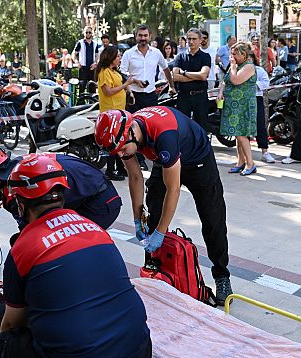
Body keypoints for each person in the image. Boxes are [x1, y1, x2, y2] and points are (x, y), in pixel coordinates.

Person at [0, 153, 151, 358]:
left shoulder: (24, 247)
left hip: (80, 354)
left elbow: (11, 325)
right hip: (139, 347)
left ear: (20, 203)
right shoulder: (96, 229)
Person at [94, 107, 233, 305]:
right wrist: (137, 217)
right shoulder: (125, 136)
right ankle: (154, 270)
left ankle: (222, 276)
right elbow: (134, 176)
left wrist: (160, 233)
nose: (122, 154)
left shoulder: (163, 135)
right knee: (153, 214)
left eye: (123, 149)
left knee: (212, 217)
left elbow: (173, 189)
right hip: (165, 159)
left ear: (131, 132)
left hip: (197, 160)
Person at [0, 137, 122, 230]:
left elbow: (32, 232)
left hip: (101, 202)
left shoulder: (15, 190)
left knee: (65, 242)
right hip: (93, 190)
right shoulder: (18, 168)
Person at [121, 24, 176, 170]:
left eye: (145, 36)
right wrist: (134, 81)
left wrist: (171, 86)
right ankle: (139, 159)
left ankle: (153, 155)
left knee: (152, 126)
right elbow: (122, 73)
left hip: (151, 95)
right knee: (133, 128)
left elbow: (166, 68)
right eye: (140, 35)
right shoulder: (128, 54)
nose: (143, 38)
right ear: (136, 36)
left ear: (149, 36)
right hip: (134, 96)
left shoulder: (156, 53)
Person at [96, 46, 136, 180]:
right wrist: (126, 85)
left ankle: (120, 167)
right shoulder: (104, 72)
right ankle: (110, 170)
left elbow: (121, 86)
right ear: (111, 58)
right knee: (111, 141)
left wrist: (128, 91)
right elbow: (108, 92)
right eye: (118, 56)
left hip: (120, 111)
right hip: (110, 112)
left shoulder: (115, 72)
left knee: (121, 139)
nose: (120, 58)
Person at [218, 42, 257, 176]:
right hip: (233, 105)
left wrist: (233, 66)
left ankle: (250, 163)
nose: (231, 56)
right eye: (231, 53)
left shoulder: (248, 67)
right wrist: (221, 92)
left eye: (234, 53)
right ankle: (240, 162)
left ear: (244, 54)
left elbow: (235, 80)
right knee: (237, 134)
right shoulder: (236, 65)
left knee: (241, 134)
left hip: (243, 105)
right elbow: (226, 80)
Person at [172, 28, 210, 127]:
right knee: (183, 127)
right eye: (189, 39)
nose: (191, 41)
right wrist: (196, 76)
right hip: (183, 97)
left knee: (201, 127)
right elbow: (175, 77)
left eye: (194, 39)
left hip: (200, 96)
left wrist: (184, 73)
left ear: (200, 40)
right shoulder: (180, 57)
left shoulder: (205, 56)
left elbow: (203, 76)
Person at [249, 52, 275, 163]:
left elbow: (266, 83)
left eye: (249, 58)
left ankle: (265, 151)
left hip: (256, 98)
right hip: (241, 100)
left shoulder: (259, 70)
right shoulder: (236, 70)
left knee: (260, 125)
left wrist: (254, 84)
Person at [72, 26, 100, 93]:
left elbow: (97, 55)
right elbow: (73, 53)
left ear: (92, 33)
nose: (88, 34)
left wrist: (95, 63)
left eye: (89, 32)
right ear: (84, 33)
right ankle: (81, 102)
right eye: (86, 32)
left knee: (92, 88)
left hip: (92, 68)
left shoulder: (95, 43)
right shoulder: (80, 42)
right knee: (82, 87)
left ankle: (91, 102)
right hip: (83, 68)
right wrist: (77, 62)